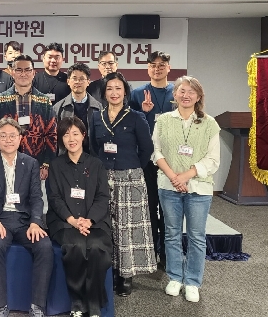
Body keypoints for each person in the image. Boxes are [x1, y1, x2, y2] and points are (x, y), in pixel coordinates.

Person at [152, 76, 220, 303]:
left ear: (198, 96)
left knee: (196, 236)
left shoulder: (210, 123)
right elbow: (157, 152)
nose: (186, 95)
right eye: (182, 90)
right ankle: (175, 277)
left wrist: (186, 175)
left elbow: (213, 159)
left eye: (191, 92)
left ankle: (192, 281)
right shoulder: (163, 120)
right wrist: (174, 177)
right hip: (168, 185)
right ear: (175, 94)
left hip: (199, 188)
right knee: (171, 233)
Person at [89, 72, 156, 296]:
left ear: (125, 92)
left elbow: (147, 149)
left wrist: (132, 167)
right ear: (103, 93)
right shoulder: (96, 117)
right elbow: (93, 147)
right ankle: (108, 270)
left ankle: (125, 275)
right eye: (109, 88)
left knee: (126, 228)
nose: (114, 93)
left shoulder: (136, 117)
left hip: (129, 177)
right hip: (103, 178)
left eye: (118, 88)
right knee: (106, 226)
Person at [0, 117, 53, 317]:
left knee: (45, 246)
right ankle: (0, 306)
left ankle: (37, 306)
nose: (8, 140)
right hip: (0, 220)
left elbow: (37, 198)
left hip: (25, 221)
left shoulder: (31, 163)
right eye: (3, 136)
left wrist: (35, 222)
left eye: (12, 135)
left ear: (20, 138)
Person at [47, 116, 112, 317]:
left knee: (96, 248)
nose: (71, 139)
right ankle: (77, 301)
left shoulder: (96, 164)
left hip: (94, 222)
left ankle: (94, 303)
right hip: (64, 222)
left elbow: (103, 197)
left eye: (75, 133)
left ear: (84, 135)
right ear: (61, 139)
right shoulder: (55, 165)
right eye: (66, 134)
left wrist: (88, 220)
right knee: (75, 247)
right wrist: (73, 220)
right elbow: (54, 198)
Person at [129, 50, 174, 268]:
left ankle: (166, 253)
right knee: (148, 206)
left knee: (168, 209)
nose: (157, 69)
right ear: (148, 68)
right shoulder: (137, 94)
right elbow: (130, 125)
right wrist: (144, 111)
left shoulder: (177, 92)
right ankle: (150, 251)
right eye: (153, 65)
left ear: (168, 68)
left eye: (161, 65)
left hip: (171, 161)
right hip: (147, 160)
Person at [0, 55, 57, 180]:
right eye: (19, 70)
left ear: (34, 73)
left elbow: (51, 135)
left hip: (37, 163)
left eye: (27, 70)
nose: (23, 74)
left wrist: (46, 164)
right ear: (12, 72)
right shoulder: (0, 100)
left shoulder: (44, 101)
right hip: (6, 162)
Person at [53, 63, 103, 155]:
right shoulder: (58, 108)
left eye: (81, 79)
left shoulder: (99, 107)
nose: (77, 82)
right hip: (66, 158)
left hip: (92, 157)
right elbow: (54, 138)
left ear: (88, 82)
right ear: (68, 81)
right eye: (74, 78)